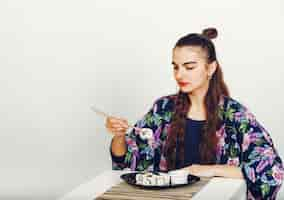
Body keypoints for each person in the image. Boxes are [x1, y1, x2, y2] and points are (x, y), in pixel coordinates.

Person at [105, 27, 284, 199]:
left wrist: (210, 170)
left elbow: (270, 172)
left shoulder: (235, 115)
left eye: (189, 67)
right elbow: (126, 162)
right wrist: (119, 136)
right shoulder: (163, 109)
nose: (179, 75)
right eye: (175, 67)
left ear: (210, 68)